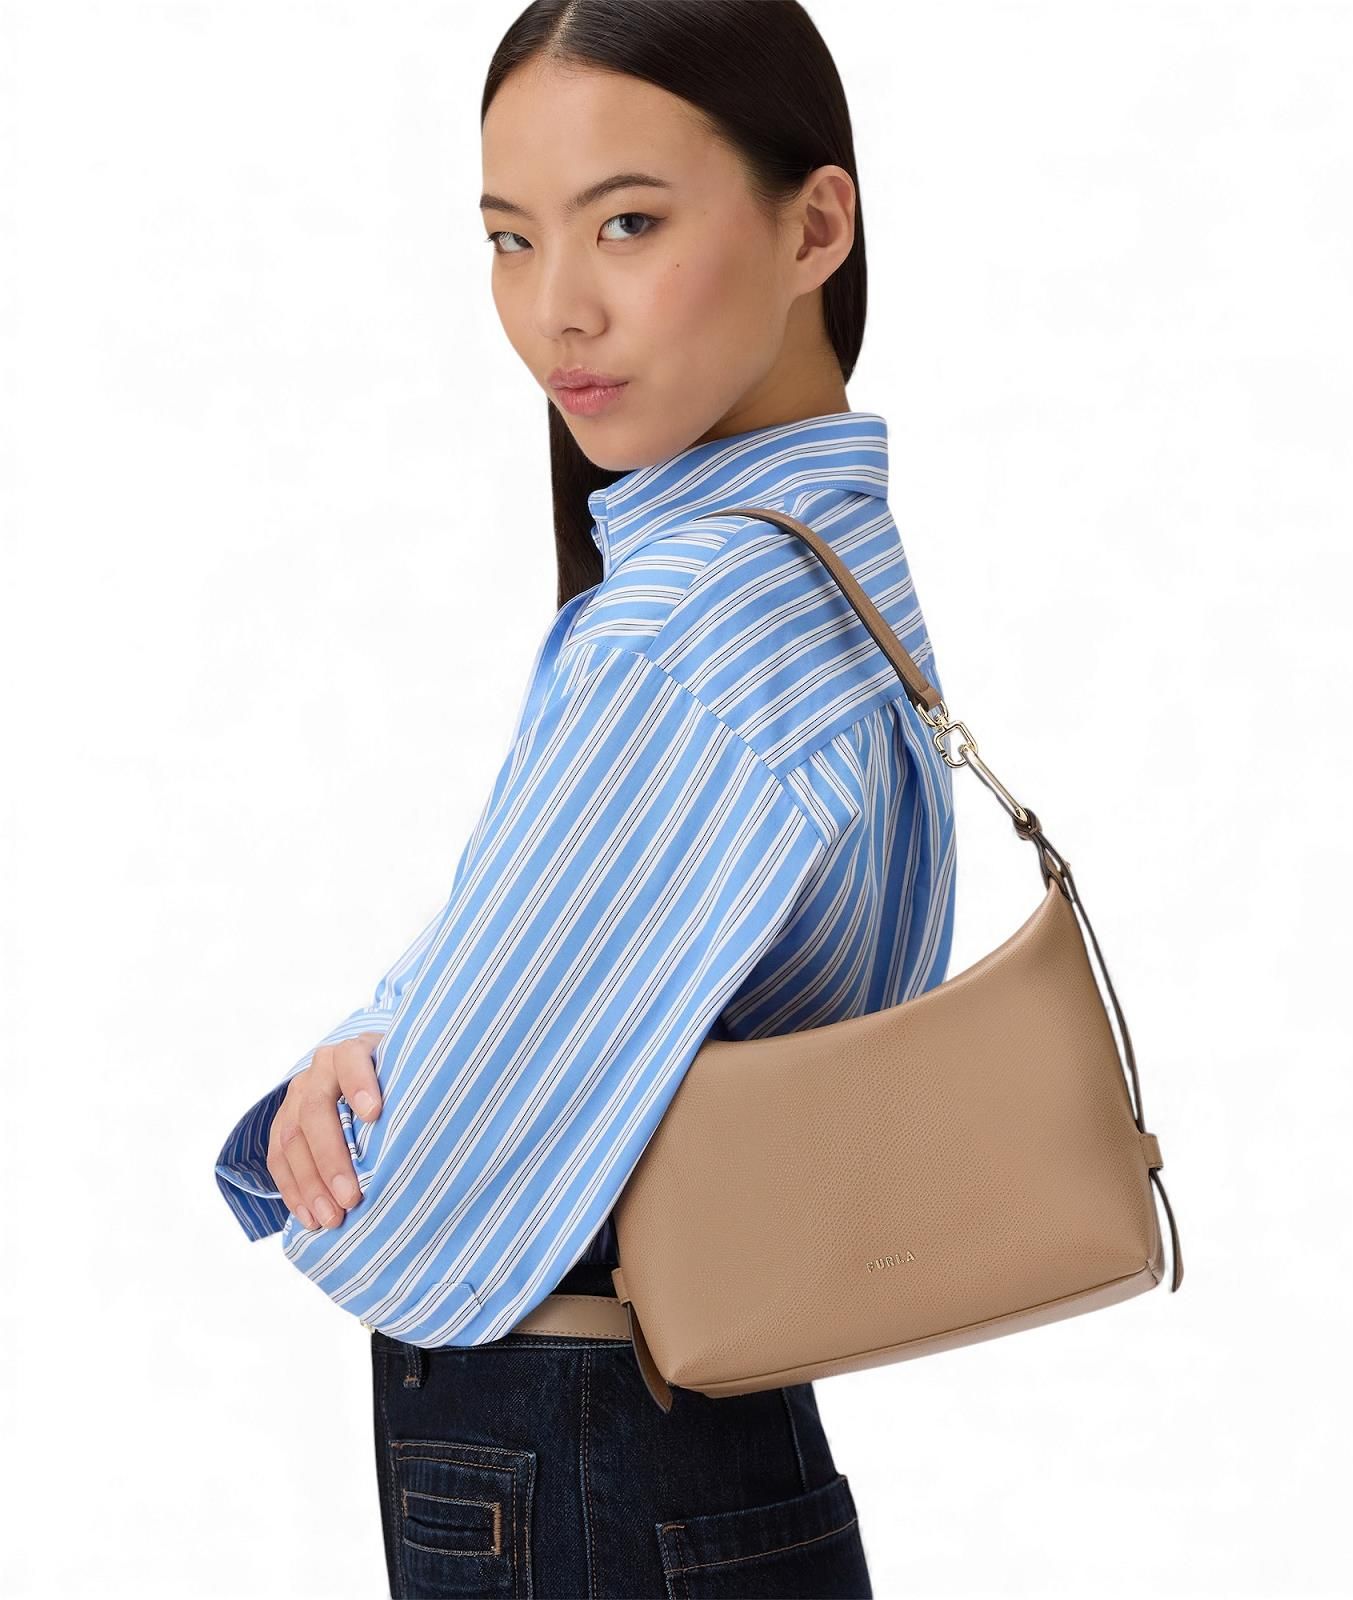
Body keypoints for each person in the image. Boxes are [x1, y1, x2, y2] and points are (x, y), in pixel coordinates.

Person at [213, 3, 956, 1593]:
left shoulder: (683, 631)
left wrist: (325, 1127)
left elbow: (432, 1183)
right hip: (710, 1454)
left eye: (627, 223)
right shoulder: (836, 578)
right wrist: (398, 1037)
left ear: (815, 226)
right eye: (509, 238)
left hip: (578, 1449)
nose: (556, 307)